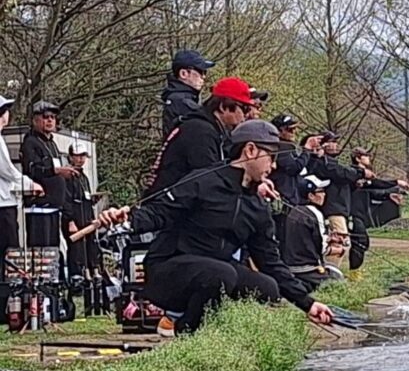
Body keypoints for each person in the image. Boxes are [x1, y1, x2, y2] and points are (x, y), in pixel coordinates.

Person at [96, 120, 333, 336]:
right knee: (222, 274)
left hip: (216, 270)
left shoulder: (258, 207)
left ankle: (221, 333)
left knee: (267, 288)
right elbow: (158, 212)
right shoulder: (203, 181)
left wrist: (308, 303)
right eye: (271, 157)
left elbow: (271, 262)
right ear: (250, 150)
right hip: (168, 271)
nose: (273, 165)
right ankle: (185, 331)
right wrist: (124, 219)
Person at [144, 77, 252, 197]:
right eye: (244, 108)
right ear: (223, 107)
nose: (246, 116)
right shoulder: (200, 132)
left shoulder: (207, 129)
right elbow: (209, 181)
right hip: (165, 204)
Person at [309, 133, 372, 269]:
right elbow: (340, 172)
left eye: (336, 142)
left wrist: (355, 183)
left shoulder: (332, 163)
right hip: (332, 209)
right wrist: (360, 173)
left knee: (339, 241)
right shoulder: (322, 163)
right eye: (332, 142)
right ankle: (330, 272)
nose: (335, 145)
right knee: (338, 241)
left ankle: (330, 270)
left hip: (339, 208)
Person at [0, 95, 42, 297]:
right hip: (3, 205)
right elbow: (8, 171)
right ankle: (8, 298)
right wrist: (31, 184)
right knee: (9, 253)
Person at [349, 147, 409, 281]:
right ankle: (353, 275)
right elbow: (376, 184)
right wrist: (396, 182)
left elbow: (373, 191)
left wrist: (390, 194)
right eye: (365, 155)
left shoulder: (365, 175)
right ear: (358, 158)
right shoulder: (353, 173)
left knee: (363, 243)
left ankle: (355, 272)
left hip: (361, 213)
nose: (368, 158)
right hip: (351, 213)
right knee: (359, 242)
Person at [283, 175, 344, 293]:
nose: (324, 194)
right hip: (308, 269)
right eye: (320, 191)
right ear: (311, 196)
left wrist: (331, 239)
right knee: (338, 277)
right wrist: (338, 249)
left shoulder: (294, 211)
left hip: (291, 269)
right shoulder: (315, 213)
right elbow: (322, 248)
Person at [268, 114, 320, 242]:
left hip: (291, 199)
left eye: (295, 129)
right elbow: (294, 168)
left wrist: (313, 155)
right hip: (282, 200)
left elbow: (303, 169)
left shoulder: (288, 147)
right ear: (279, 130)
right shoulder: (280, 148)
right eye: (290, 129)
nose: (293, 132)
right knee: (282, 237)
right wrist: (306, 149)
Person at [63, 142, 100, 281]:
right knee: (77, 248)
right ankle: (78, 274)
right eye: (77, 156)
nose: (80, 159)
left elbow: (86, 197)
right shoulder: (67, 176)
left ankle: (92, 270)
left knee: (91, 244)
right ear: (70, 157)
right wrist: (70, 220)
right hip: (74, 216)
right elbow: (66, 199)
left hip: (86, 215)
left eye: (83, 156)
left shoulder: (83, 177)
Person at [162, 49, 215, 137]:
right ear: (183, 73)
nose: (204, 77)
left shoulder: (176, 98)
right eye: (201, 71)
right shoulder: (182, 102)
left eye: (205, 72)